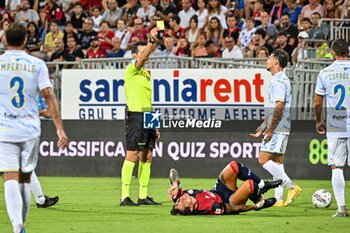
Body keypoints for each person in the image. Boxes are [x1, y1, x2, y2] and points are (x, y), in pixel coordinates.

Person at [0, 23, 68, 233]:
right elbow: (49, 96)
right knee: (26, 172)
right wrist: (59, 128)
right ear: (25, 41)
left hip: (5, 127)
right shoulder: (37, 64)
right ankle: (38, 199)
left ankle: (18, 226)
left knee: (11, 176)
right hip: (29, 129)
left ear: (4, 40)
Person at [250, 49, 301, 207]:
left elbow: (279, 106)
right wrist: (262, 126)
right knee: (277, 162)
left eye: (270, 58)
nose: (267, 60)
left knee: (263, 160)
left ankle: (291, 186)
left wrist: (270, 129)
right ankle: (279, 198)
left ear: (276, 62)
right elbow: (273, 108)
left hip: (278, 127)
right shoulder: (280, 79)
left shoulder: (278, 80)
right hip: (282, 125)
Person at [120, 26, 161, 206]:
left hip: (147, 114)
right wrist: (151, 40)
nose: (145, 53)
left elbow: (148, 100)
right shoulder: (132, 69)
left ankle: (143, 196)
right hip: (135, 115)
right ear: (135, 55)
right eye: (142, 50)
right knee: (133, 154)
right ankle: (124, 196)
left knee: (148, 155)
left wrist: (154, 122)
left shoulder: (145, 74)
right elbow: (145, 56)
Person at [314, 39, 350, 218]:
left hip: (336, 122)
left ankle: (342, 208)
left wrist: (319, 120)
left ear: (333, 53)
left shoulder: (325, 72)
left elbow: (317, 102)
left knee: (336, 167)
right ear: (348, 51)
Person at [168, 160, 282, 215]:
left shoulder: (181, 196)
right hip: (229, 202)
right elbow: (233, 209)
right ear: (191, 208)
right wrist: (253, 207)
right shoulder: (210, 208)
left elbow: (172, 172)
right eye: (181, 202)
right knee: (250, 184)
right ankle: (259, 202)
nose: (180, 199)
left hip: (218, 190)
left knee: (234, 166)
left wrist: (174, 183)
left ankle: (263, 185)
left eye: (177, 201)